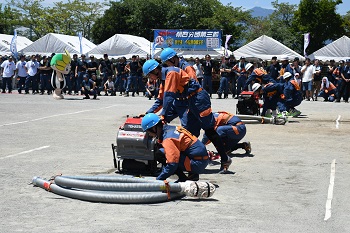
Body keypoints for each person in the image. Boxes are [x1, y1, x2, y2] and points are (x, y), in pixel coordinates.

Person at [143, 59, 232, 173]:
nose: (150, 79)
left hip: (198, 99)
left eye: (149, 75)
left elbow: (169, 97)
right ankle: (191, 162)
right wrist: (148, 113)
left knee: (209, 130)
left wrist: (164, 115)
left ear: (155, 70)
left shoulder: (171, 73)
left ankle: (225, 159)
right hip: (187, 101)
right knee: (189, 133)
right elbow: (161, 99)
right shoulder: (163, 79)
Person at [141, 113, 209, 182]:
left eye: (149, 132)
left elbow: (172, 164)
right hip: (200, 159)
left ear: (154, 128)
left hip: (198, 163)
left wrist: (159, 179)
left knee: (160, 154)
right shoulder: (171, 129)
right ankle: (192, 175)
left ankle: (183, 178)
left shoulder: (168, 138)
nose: (149, 134)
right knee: (164, 150)